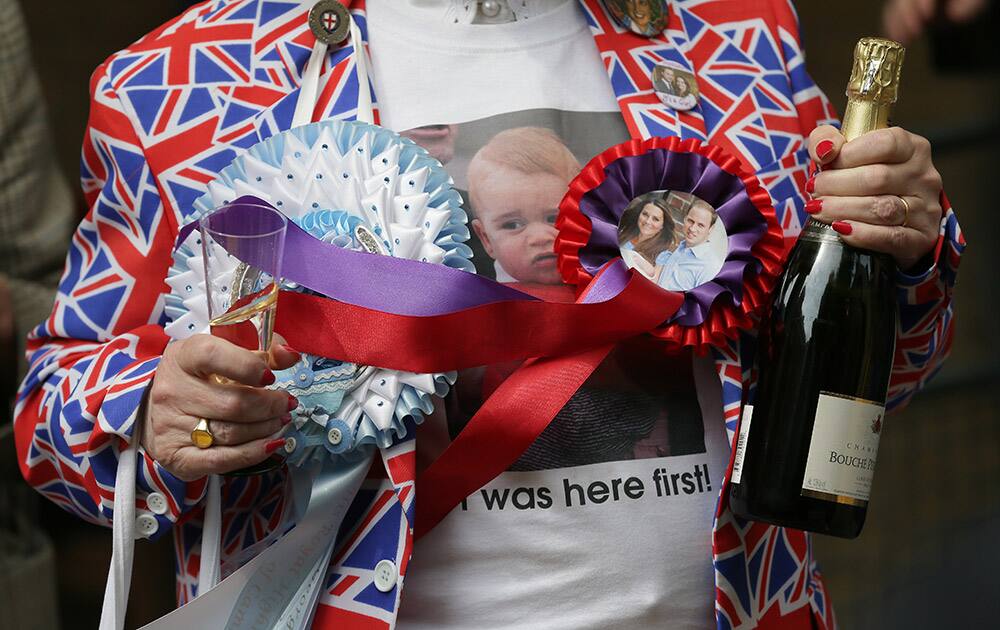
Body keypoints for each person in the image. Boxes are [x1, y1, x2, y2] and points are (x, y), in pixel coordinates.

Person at [13, 1, 962, 629]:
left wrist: (908, 252)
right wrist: (150, 403)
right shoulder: (182, 77)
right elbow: (55, 410)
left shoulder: (730, 35)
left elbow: (872, 371)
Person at [466, 126, 578, 285]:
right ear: (486, 240)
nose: (540, 238)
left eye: (555, 218)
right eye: (513, 225)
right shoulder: (490, 303)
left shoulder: (613, 280)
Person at [655, 199, 723, 291]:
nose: (692, 228)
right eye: (690, 221)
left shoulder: (710, 267)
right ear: (685, 219)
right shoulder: (682, 247)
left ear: (711, 229)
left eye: (700, 225)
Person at [617, 198, 675, 279]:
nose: (648, 221)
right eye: (645, 214)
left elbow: (653, 285)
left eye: (655, 219)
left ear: (662, 226)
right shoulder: (623, 234)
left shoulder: (663, 255)